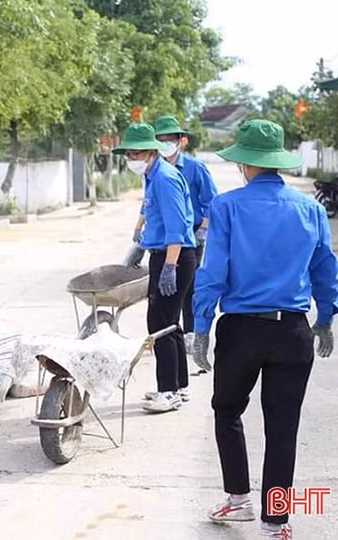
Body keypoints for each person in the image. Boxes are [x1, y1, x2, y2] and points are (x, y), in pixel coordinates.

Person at [193, 119, 338, 539]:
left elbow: (214, 271)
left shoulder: (226, 207)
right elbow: (325, 270)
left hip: (241, 332)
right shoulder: (310, 209)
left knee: (227, 411)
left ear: (245, 164)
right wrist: (326, 318)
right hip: (293, 332)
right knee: (283, 427)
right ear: (278, 163)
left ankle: (238, 499)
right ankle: (275, 522)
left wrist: (201, 325)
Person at [118, 123, 197, 413]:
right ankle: (179, 386)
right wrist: (141, 243)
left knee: (159, 326)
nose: (131, 158)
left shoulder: (165, 178)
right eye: (128, 153)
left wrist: (169, 267)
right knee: (169, 323)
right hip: (164, 253)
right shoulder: (153, 177)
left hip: (175, 256)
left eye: (135, 153)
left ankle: (169, 391)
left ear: (151, 152)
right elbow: (154, 214)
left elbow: (176, 228)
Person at [152, 116, 218, 361]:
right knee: (171, 291)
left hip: (191, 236)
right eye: (161, 140)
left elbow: (211, 200)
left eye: (170, 140)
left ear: (181, 141)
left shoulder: (194, 168)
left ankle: (190, 331)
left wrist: (204, 228)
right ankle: (176, 333)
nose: (166, 144)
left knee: (189, 285)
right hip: (168, 239)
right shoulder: (156, 169)